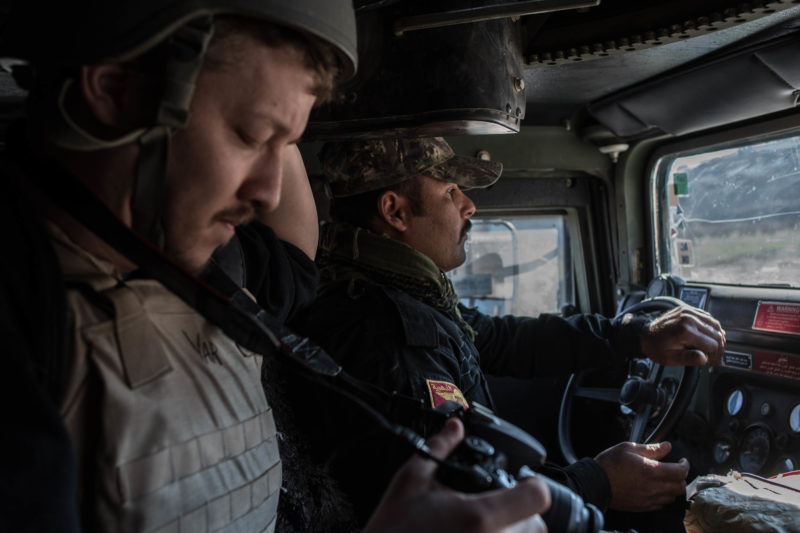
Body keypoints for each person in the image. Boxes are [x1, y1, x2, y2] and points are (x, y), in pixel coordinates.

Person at [0, 3, 550, 533]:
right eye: (250, 136)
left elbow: (296, 246)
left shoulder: (217, 267)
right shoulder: (28, 319)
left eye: (285, 145)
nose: (267, 193)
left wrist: (279, 108)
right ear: (117, 89)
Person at [291, 136, 727, 528]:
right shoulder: (385, 333)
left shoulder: (398, 294)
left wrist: (633, 336)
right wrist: (598, 483)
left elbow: (501, 340)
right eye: (450, 191)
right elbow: (456, 500)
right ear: (395, 211)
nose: (469, 205)